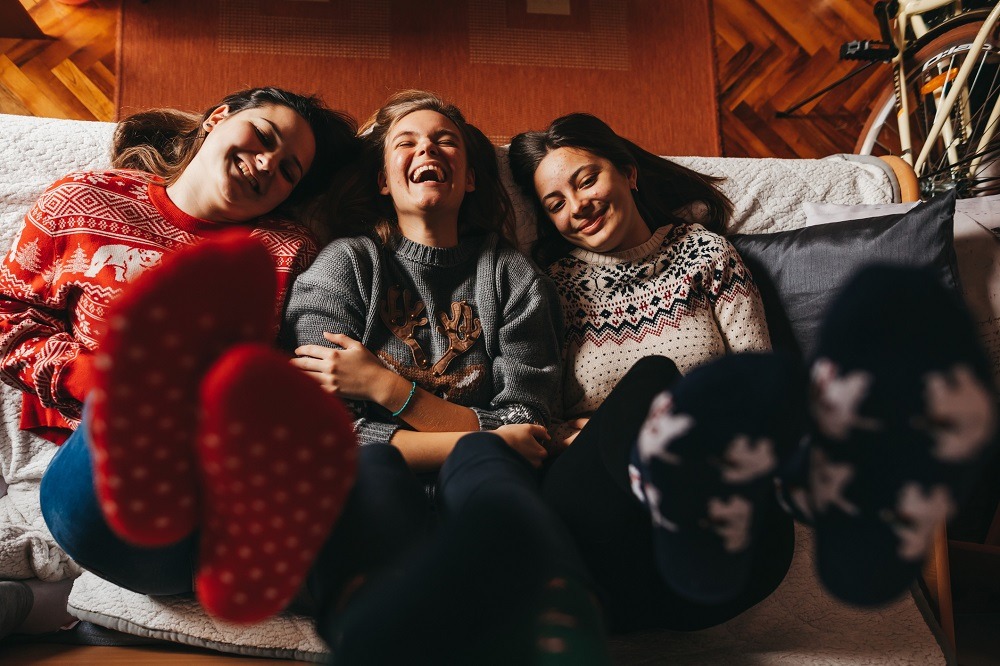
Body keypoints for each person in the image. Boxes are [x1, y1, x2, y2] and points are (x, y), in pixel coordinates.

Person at [509, 114, 998, 630]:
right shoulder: (550, 287)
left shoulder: (705, 255)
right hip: (598, 539)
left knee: (667, 387)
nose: (577, 207)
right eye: (555, 203)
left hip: (720, 553)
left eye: (586, 180)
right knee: (651, 380)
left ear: (628, 173)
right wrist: (585, 433)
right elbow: (534, 414)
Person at [1, 87, 366, 626]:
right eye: (263, 136)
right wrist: (85, 377)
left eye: (289, 170)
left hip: (214, 481)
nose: (268, 164)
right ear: (217, 118)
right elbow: (7, 315)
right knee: (133, 404)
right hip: (97, 465)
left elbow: (301, 377)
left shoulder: (286, 251)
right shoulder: (83, 199)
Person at [282, 90, 611, 663]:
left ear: (472, 178)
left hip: (483, 494)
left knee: (481, 460)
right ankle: (371, 622)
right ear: (383, 181)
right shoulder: (345, 266)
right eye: (406, 143)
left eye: (445, 141)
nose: (427, 150)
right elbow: (326, 438)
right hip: (373, 492)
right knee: (376, 465)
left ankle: (554, 613)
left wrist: (387, 388)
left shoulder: (515, 279)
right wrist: (485, 434)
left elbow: (528, 425)